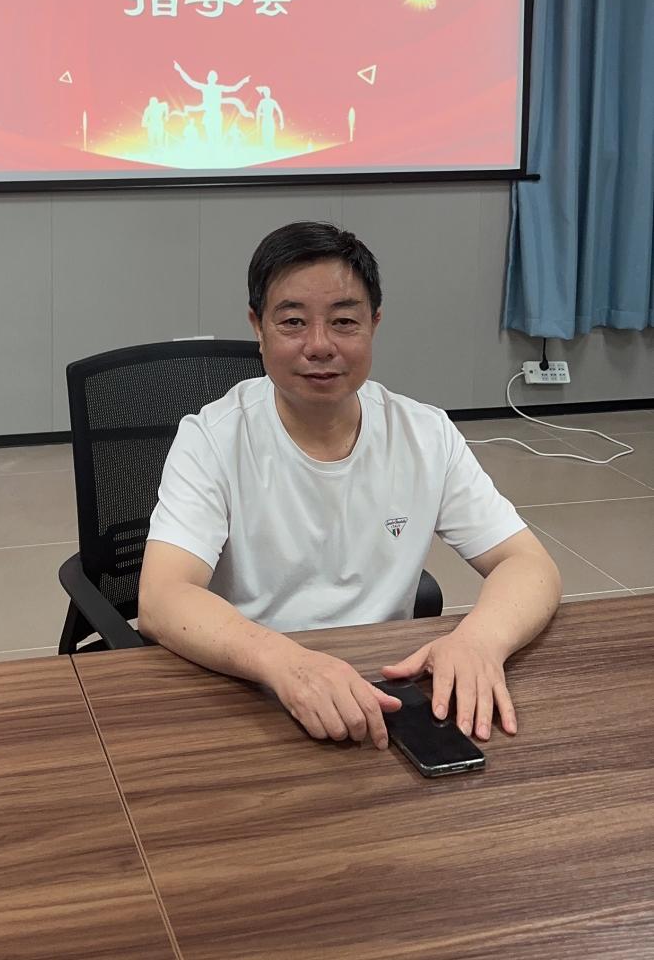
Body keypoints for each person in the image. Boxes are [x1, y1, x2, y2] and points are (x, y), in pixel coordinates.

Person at [138, 220, 561, 752]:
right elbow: (162, 597)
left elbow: (529, 564)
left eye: (343, 321)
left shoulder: (424, 434)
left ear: (374, 324)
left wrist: (480, 641)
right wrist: (286, 663)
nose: (319, 346)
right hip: (253, 690)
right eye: (293, 322)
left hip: (385, 690)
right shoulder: (213, 438)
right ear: (257, 327)